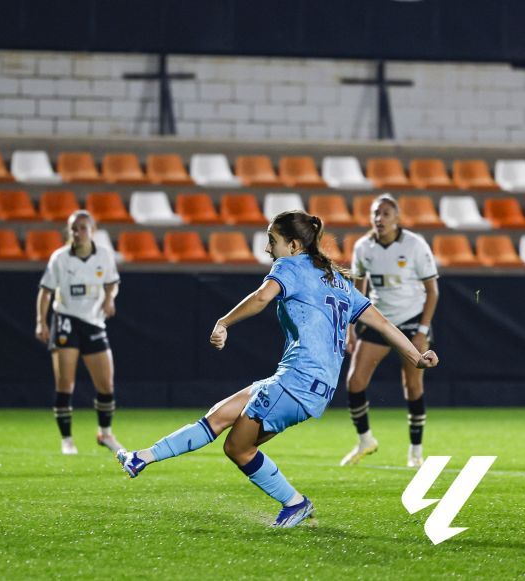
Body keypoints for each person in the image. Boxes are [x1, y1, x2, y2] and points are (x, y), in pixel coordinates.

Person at [116, 210, 438, 528]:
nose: (268, 249)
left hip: (300, 381)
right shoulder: (337, 280)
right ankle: (142, 457)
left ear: (294, 246)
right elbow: (381, 322)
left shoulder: (290, 266)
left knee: (237, 447)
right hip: (303, 381)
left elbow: (260, 299)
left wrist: (224, 322)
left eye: (273, 241)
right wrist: (416, 356)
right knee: (218, 416)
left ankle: (295, 502)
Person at [340, 194, 439, 468]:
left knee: (413, 385)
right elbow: (357, 292)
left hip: (410, 321)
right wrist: (351, 327)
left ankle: (416, 452)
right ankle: (365, 440)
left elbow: (432, 291)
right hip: (378, 321)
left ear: (397, 218)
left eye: (385, 214)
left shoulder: (415, 245)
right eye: (375, 213)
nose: (379, 219)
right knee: (355, 381)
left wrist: (422, 329)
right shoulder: (363, 247)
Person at [36, 210, 124, 455]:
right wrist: (41, 322)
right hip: (66, 321)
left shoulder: (104, 255)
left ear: (92, 230)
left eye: (82, 228)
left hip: (94, 322)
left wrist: (109, 299)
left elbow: (112, 283)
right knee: (65, 383)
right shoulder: (60, 258)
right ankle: (67, 439)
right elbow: (45, 291)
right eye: (73, 228)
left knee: (106, 384)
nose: (77, 232)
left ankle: (105, 433)